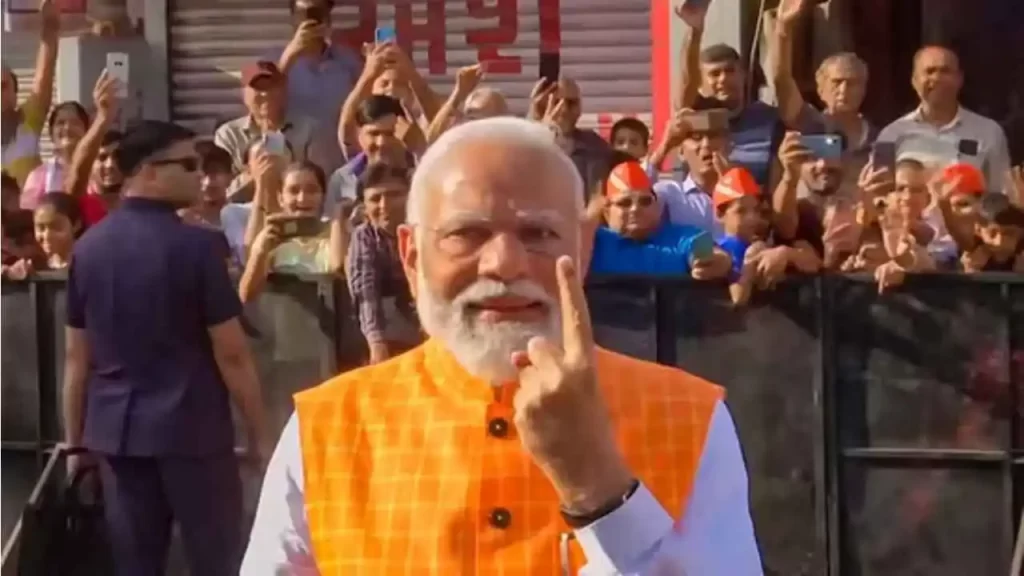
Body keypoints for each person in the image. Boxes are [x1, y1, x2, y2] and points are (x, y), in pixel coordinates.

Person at [241, 117, 761, 574]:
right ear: (412, 255)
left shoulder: (687, 419)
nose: (504, 264)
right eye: (466, 234)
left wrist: (599, 487)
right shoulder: (328, 430)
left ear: (580, 251)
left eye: (537, 233)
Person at [61, 120, 268, 576]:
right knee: (216, 562)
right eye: (189, 165)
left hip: (117, 439)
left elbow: (77, 358)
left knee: (137, 565)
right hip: (193, 435)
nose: (201, 175)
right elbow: (232, 353)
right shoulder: (196, 249)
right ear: (150, 172)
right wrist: (258, 434)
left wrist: (76, 445)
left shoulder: (89, 248)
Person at [877, 46, 1011, 192]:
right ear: (914, 81)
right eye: (929, 71)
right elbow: (882, 193)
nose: (937, 78)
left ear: (959, 79)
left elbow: (1000, 194)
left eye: (945, 71)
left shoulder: (988, 132)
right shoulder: (891, 135)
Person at [270, 0, 363, 173]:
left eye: (319, 13)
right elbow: (265, 110)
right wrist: (289, 58)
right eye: (305, 14)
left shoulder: (348, 60)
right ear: (293, 19)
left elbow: (366, 108)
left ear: (329, 19)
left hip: (339, 168)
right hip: (293, 171)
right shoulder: (276, 61)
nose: (311, 21)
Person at [215, 60, 318, 201]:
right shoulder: (228, 135)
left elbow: (319, 183)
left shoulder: (308, 129)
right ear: (244, 94)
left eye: (272, 87)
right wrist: (255, 173)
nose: (265, 94)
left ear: (284, 91)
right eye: (258, 88)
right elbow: (222, 194)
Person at [348, 162, 420, 364]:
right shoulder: (365, 236)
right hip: (390, 331)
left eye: (394, 195)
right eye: (375, 199)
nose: (384, 205)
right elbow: (366, 292)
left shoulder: (425, 228)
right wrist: (376, 343)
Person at [1, 0, 59, 186]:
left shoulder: (27, 121)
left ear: (15, 95)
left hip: (28, 214)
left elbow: (45, 72)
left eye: (3, 86)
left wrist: (50, 24)